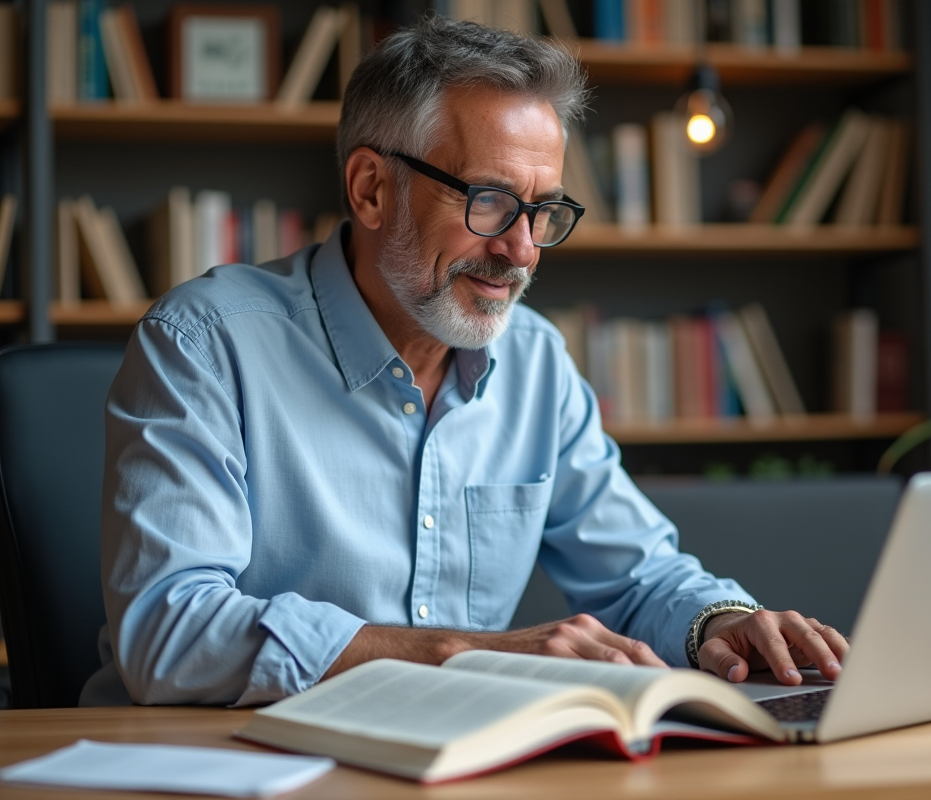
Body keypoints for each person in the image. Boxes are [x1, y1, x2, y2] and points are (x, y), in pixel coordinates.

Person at [81, 15, 848, 707]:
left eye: (544, 212)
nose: (520, 250)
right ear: (372, 189)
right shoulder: (205, 343)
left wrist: (726, 622)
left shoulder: (537, 361)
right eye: (488, 201)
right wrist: (460, 655)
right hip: (211, 770)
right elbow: (169, 630)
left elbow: (639, 573)